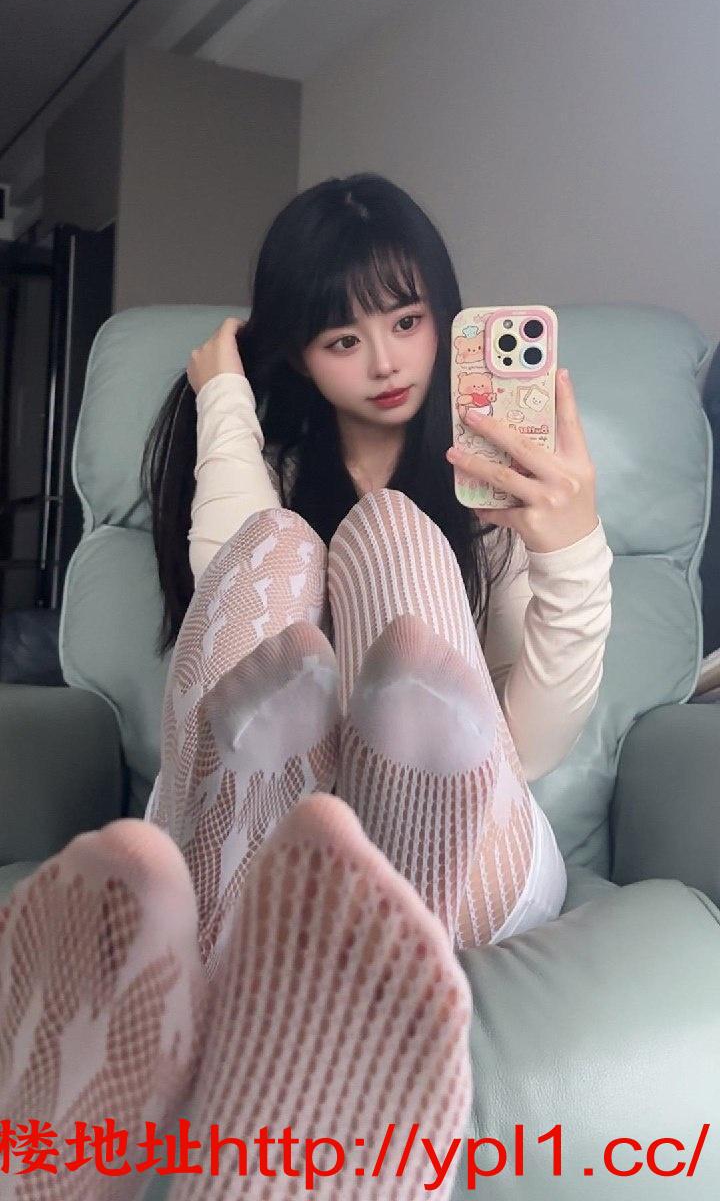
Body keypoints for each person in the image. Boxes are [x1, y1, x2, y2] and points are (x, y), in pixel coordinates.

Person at [0, 173, 612, 1198]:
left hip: (465, 844)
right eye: (341, 338)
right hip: (253, 829)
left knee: (396, 539)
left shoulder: (501, 494)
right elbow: (230, 596)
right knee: (278, 546)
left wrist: (572, 547)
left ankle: (259, 972)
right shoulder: (273, 473)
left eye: (408, 321)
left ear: (445, 314)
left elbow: (530, 745)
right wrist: (224, 400)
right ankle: (262, 1042)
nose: (385, 362)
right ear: (295, 352)